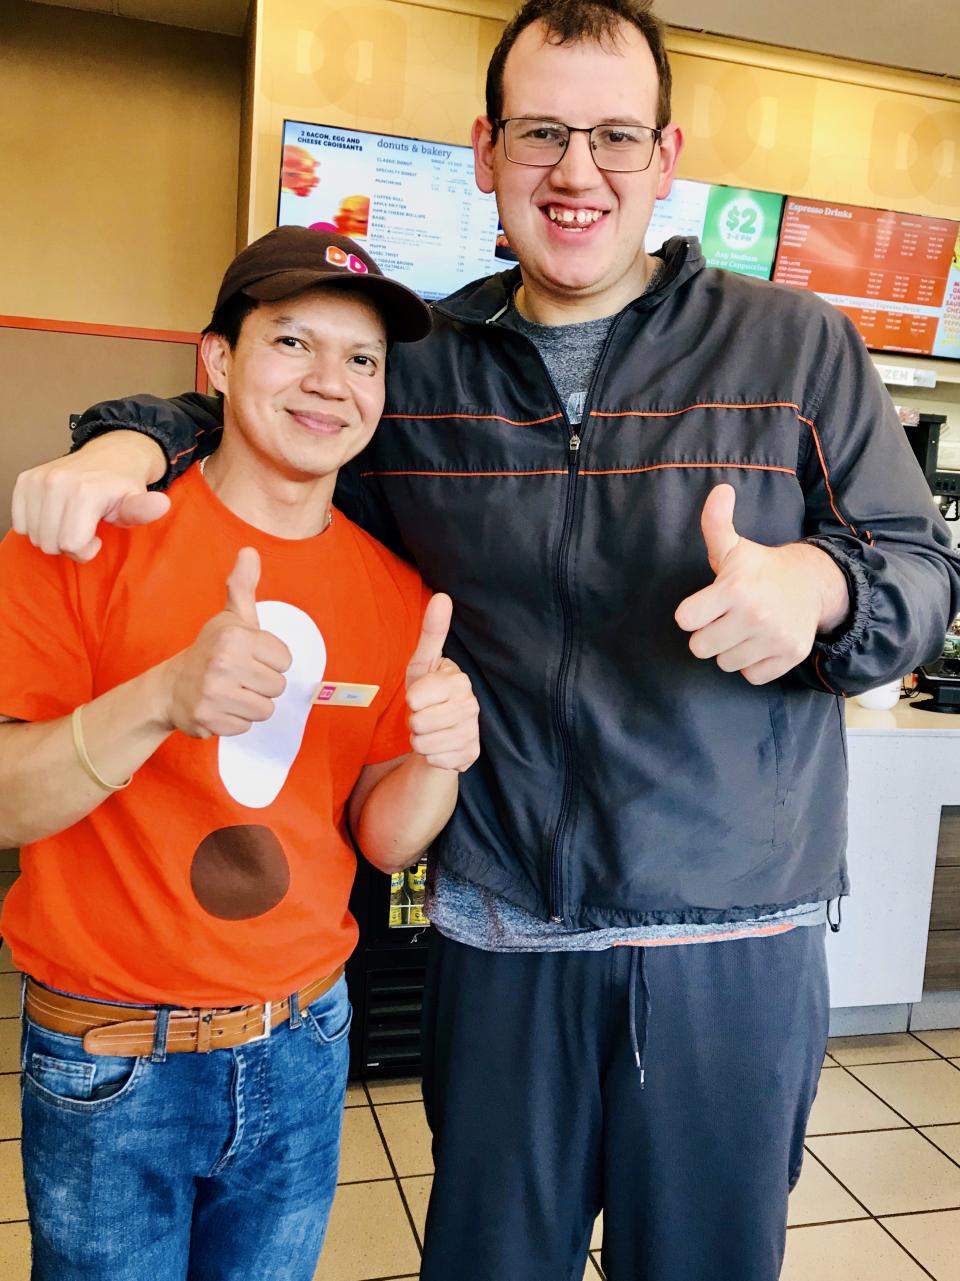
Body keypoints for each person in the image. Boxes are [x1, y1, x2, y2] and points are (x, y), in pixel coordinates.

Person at [11, 2, 960, 1278]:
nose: (579, 173)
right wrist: (128, 434)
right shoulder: (432, 365)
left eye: (616, 136)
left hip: (729, 936)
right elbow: (269, 421)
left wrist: (817, 591)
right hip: (500, 930)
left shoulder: (795, 345)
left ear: (667, 158)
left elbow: (918, 573)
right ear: (486, 151)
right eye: (543, 134)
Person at [0, 225, 481, 1281]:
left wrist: (442, 755)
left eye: (361, 360)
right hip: (109, 1058)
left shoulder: (394, 589)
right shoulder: (90, 535)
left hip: (302, 1047)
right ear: (217, 363)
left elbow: (384, 836)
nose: (330, 384)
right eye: (293, 344)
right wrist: (164, 698)